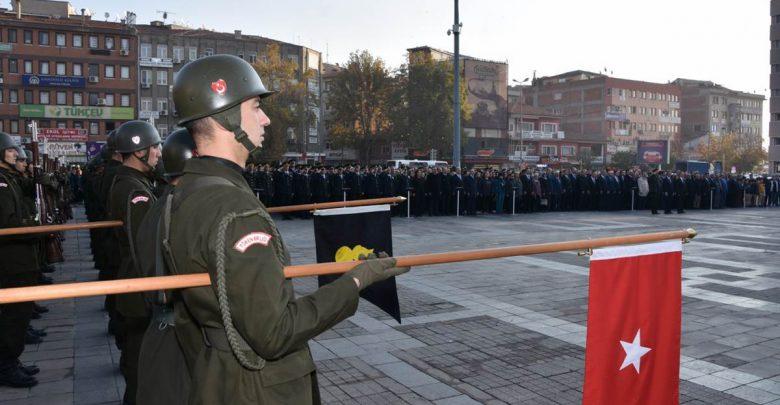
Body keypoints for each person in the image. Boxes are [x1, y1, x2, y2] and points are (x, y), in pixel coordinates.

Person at [166, 54, 410, 403]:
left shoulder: (187, 191)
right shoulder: (233, 208)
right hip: (257, 388)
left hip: (216, 375)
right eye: (255, 107)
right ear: (226, 116)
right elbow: (275, 332)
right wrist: (356, 280)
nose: (265, 119)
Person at [108, 121, 162, 404]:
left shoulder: (133, 182)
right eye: (154, 147)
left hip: (134, 288)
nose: (158, 153)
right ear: (139, 151)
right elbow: (143, 245)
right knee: (140, 367)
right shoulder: (134, 190)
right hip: (140, 291)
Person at [0, 133, 41, 388]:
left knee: (19, 314)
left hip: (20, 257)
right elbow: (7, 223)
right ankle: (5, 365)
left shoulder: (10, 179)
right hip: (11, 259)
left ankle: (11, 360)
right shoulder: (2, 184)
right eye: (11, 151)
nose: (17, 155)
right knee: (13, 316)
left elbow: (30, 189)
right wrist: (32, 224)